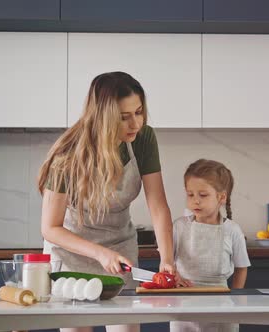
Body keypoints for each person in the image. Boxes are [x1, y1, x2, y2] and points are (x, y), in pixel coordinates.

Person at [38, 71, 175, 332]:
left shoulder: (144, 138)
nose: (135, 123)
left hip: (119, 248)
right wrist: (99, 253)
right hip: (72, 254)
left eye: (139, 111)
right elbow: (50, 228)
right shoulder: (67, 155)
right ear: (103, 117)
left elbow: (157, 205)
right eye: (124, 117)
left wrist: (167, 258)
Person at [171, 159, 251, 332]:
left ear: (221, 197)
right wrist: (175, 276)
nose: (195, 201)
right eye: (190, 195)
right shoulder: (178, 226)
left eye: (203, 195)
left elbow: (241, 267)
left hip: (222, 305)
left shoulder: (232, 230)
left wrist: (236, 300)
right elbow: (167, 261)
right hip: (182, 304)